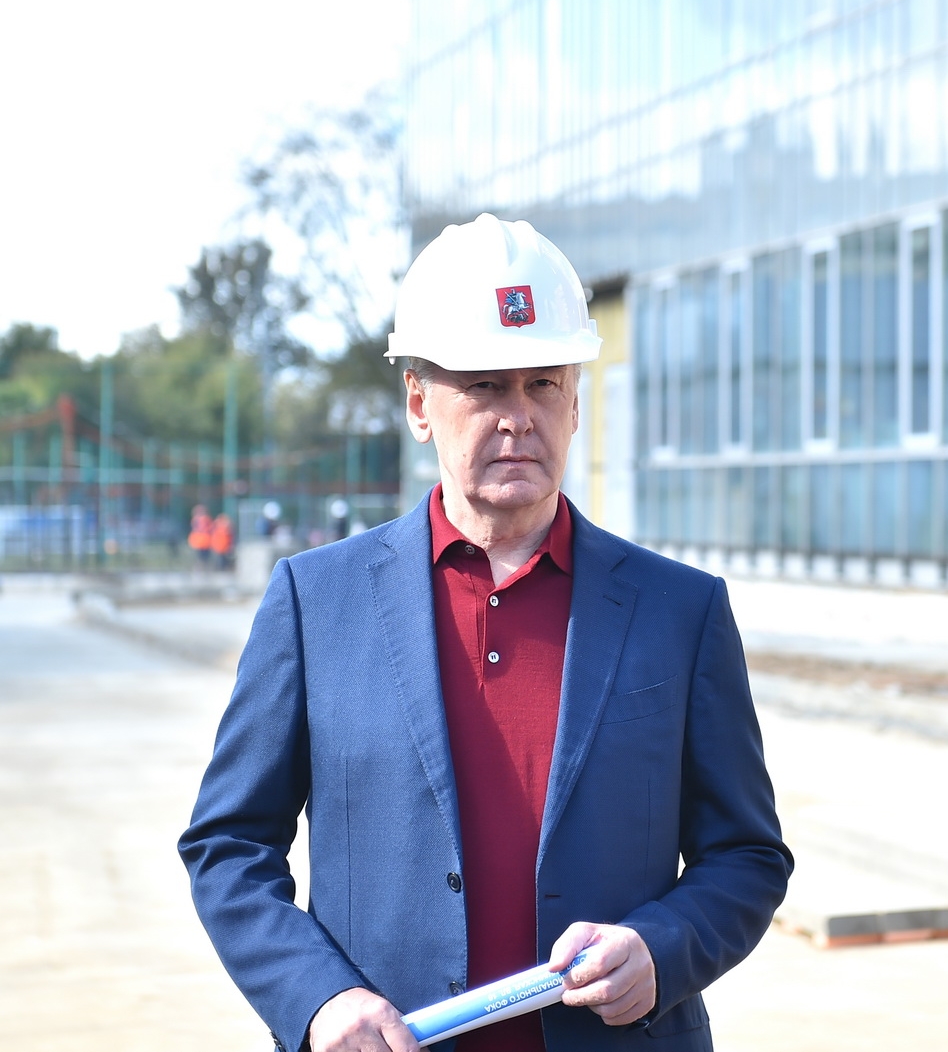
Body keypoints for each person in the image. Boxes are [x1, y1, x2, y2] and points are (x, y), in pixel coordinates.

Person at [180, 214, 792, 1052]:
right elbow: (229, 844)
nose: (519, 417)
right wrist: (320, 999)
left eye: (543, 384)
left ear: (576, 403)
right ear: (419, 403)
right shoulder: (315, 603)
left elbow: (748, 854)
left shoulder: (679, 610)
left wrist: (662, 947)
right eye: (486, 386)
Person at [188, 503, 213, 570]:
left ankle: (203, 568)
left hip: (204, 542)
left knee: (203, 557)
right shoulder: (198, 519)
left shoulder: (204, 519)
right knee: (201, 557)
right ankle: (201, 568)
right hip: (200, 542)